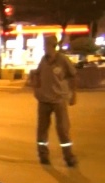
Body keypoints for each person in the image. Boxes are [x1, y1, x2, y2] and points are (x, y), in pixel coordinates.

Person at [32, 35, 78, 167]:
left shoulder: (62, 59)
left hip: (58, 100)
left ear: (53, 46)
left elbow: (73, 76)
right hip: (44, 101)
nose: (44, 47)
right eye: (44, 45)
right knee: (42, 130)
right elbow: (37, 74)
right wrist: (36, 89)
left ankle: (68, 156)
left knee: (63, 129)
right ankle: (43, 155)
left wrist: (73, 94)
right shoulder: (43, 60)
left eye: (46, 45)